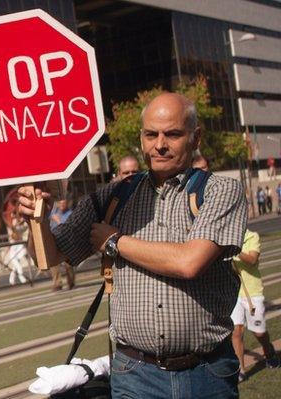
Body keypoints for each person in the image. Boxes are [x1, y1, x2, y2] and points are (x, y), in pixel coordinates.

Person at [17, 93, 246, 398]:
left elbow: (189, 262)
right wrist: (38, 220)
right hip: (135, 376)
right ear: (141, 139)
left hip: (207, 373)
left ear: (195, 137)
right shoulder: (113, 196)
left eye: (173, 134)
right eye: (151, 134)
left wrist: (115, 241)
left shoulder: (221, 190)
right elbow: (54, 255)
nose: (159, 144)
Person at [230, 229, 280, 382]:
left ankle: (268, 350)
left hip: (252, 293)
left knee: (259, 332)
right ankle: (241, 370)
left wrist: (234, 249)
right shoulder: (228, 236)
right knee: (236, 331)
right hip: (234, 292)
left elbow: (252, 260)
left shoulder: (252, 236)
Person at [7, 213, 30, 285]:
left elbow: (24, 227)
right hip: (13, 254)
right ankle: (23, 279)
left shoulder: (19, 230)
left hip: (18, 253)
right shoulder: (12, 235)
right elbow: (14, 230)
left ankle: (11, 280)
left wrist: (23, 220)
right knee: (18, 267)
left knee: (15, 267)